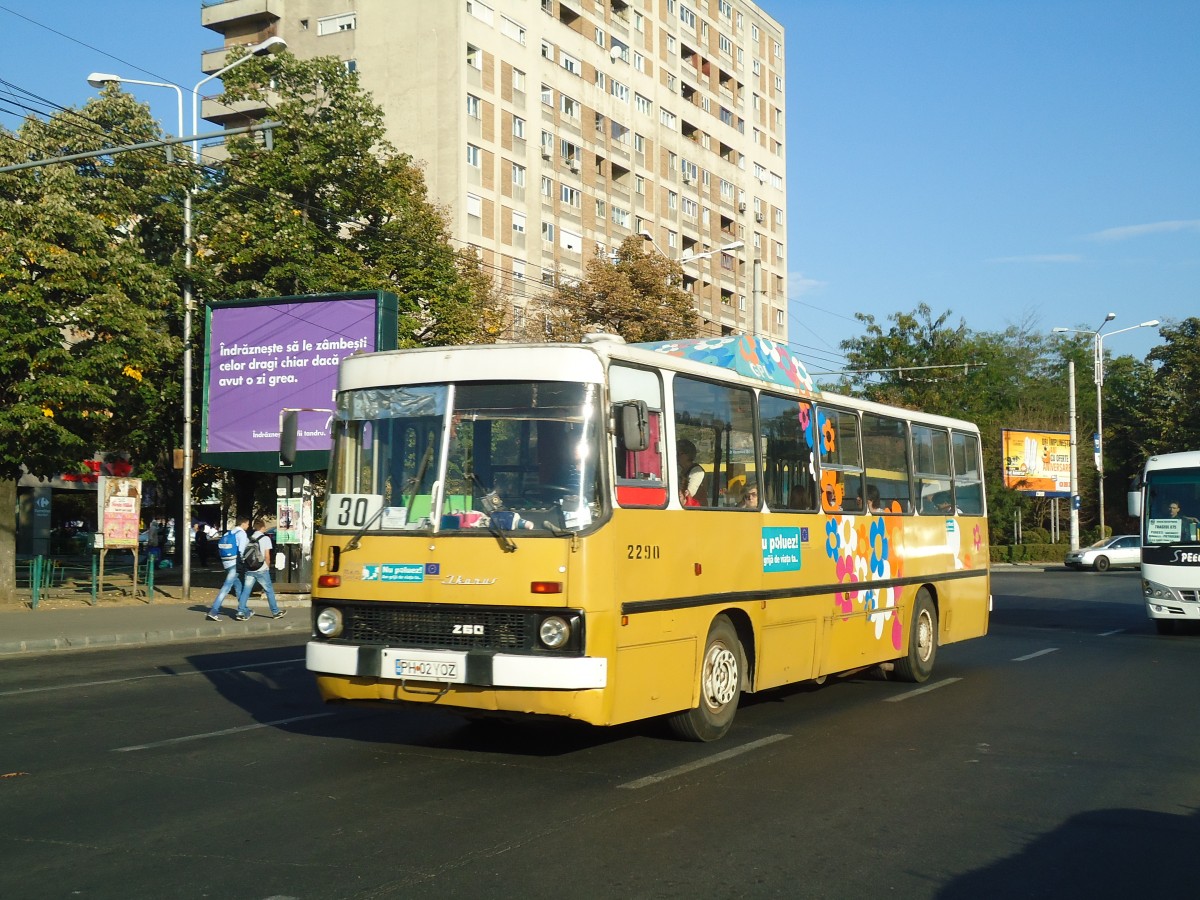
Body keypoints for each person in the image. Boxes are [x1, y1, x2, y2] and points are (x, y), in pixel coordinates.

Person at [235, 518, 286, 621]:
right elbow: (267, 556)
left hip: (249, 569)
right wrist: (267, 566)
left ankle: (240, 611)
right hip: (261, 569)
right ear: (262, 527)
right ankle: (275, 612)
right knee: (269, 591)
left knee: (246, 590)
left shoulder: (249, 538)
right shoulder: (265, 539)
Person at [206, 517, 249, 621]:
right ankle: (214, 610)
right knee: (226, 587)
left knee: (238, 587)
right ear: (243, 524)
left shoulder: (229, 533)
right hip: (235, 563)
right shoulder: (242, 534)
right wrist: (244, 563)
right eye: (247, 524)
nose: (248, 526)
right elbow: (242, 550)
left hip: (226, 562)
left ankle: (244, 610)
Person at [676, 439, 705, 507]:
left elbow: (689, 493)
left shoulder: (697, 471)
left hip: (697, 509)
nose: (676, 456)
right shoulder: (681, 470)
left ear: (687, 455)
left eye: (678, 453)